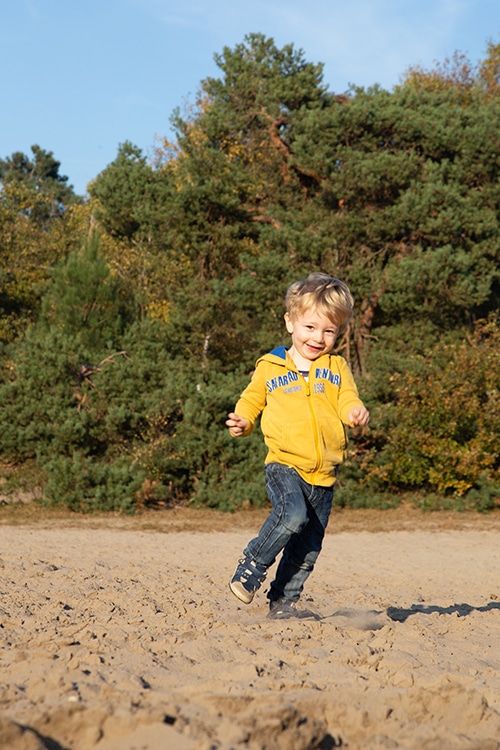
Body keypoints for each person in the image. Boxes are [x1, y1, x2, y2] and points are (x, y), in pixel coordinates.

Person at [226, 272, 370, 620]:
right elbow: (251, 400)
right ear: (290, 322)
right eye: (310, 327)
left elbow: (346, 398)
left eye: (329, 331)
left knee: (307, 548)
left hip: (324, 475)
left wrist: (353, 411)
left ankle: (283, 603)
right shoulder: (271, 366)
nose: (318, 338)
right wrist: (243, 421)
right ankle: (253, 564)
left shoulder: (336, 367)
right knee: (291, 516)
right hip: (284, 465)